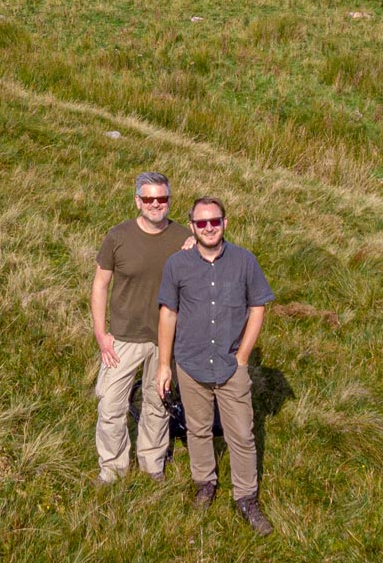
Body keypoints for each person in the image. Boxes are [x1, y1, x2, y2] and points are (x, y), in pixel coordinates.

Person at [157, 196, 274, 535]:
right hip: (190, 363)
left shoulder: (245, 261)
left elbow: (258, 307)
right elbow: (168, 313)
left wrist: (242, 357)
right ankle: (204, 484)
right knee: (198, 429)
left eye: (215, 221)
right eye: (202, 223)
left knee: (241, 434)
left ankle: (246, 498)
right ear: (192, 226)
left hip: (230, 364)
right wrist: (165, 365)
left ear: (225, 222)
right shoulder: (177, 265)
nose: (209, 227)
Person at [91, 171, 190, 485]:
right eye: (149, 199)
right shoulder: (117, 236)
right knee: (110, 404)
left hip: (166, 340)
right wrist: (101, 334)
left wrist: (196, 245)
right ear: (138, 201)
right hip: (123, 337)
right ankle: (112, 469)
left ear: (169, 200)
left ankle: (152, 466)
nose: (156, 204)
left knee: (157, 404)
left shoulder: (184, 238)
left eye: (162, 198)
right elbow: (100, 286)